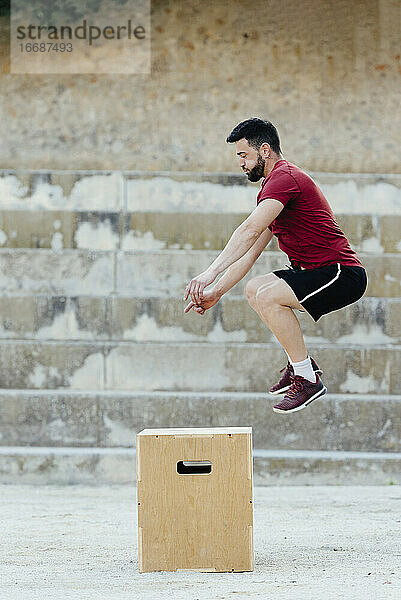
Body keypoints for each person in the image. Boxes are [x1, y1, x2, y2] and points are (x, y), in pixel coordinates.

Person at [183, 118, 368, 414]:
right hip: (315, 272)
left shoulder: (286, 178)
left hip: (340, 274)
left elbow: (249, 230)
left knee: (269, 296)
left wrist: (209, 273)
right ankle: (303, 366)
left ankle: (306, 378)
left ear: (265, 150)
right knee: (255, 288)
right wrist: (217, 291)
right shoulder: (274, 189)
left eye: (244, 155)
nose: (241, 163)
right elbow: (251, 251)